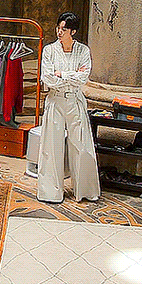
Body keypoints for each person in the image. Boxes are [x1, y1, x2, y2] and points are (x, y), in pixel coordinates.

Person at [37, 12, 100, 203]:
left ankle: (85, 190)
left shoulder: (83, 51)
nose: (59, 32)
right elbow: (48, 78)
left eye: (64, 29)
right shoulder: (49, 50)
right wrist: (71, 75)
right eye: (58, 28)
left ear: (72, 31)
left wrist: (62, 74)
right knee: (51, 146)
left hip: (75, 100)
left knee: (82, 145)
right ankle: (51, 192)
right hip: (55, 100)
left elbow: (83, 77)